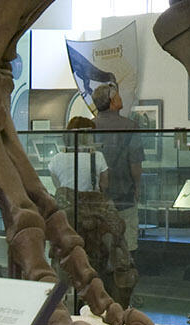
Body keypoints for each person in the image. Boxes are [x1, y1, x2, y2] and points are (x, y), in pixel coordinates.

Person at [47, 117, 136, 306]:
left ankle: (61, 299)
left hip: (67, 219)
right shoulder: (97, 157)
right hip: (94, 218)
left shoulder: (56, 159)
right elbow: (104, 184)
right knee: (108, 248)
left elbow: (57, 185)